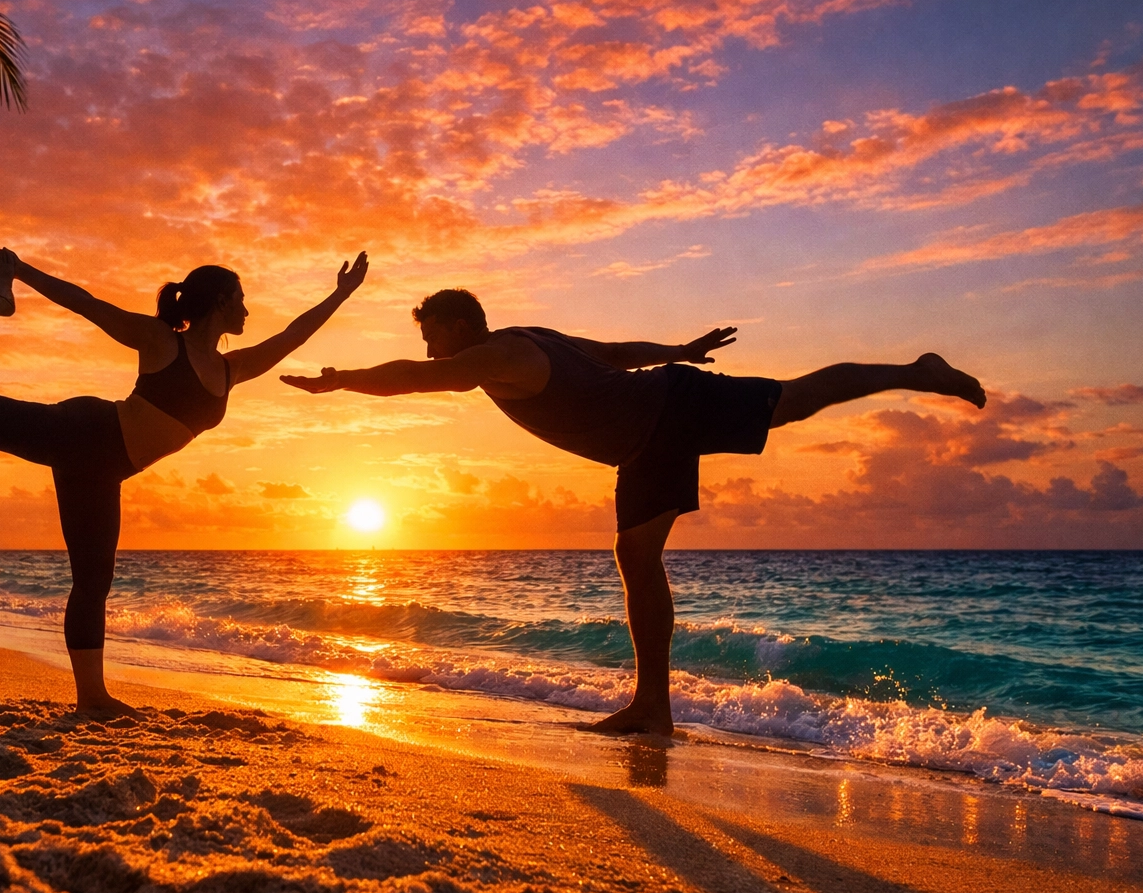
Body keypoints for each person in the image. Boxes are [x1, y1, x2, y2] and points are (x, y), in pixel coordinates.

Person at [281, 288, 985, 735]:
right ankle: (653, 708)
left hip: (671, 406)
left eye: (433, 332)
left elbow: (417, 378)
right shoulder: (525, 340)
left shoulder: (496, 354)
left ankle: (916, 371)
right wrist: (677, 347)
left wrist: (340, 380)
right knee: (636, 559)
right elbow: (615, 350)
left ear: (458, 326)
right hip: (647, 442)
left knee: (796, 397)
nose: (429, 346)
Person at [0, 249, 369, 718]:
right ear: (219, 302)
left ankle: (92, 699)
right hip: (80, 433)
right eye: (240, 298)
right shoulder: (161, 342)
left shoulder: (229, 369)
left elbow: (292, 335)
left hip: (103, 468)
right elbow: (87, 304)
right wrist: (21, 271)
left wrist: (341, 294)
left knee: (94, 582)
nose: (247, 309)